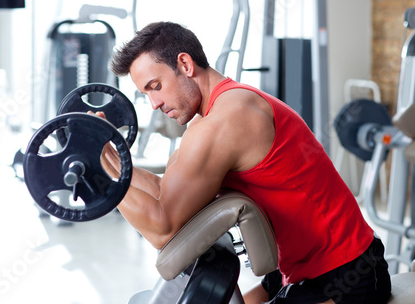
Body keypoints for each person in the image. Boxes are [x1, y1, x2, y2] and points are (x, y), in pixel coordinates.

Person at [99, 21, 391, 303]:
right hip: (297, 268)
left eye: (156, 85)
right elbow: (166, 191)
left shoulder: (225, 122)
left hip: (345, 273)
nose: (154, 103)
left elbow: (163, 230)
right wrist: (105, 159)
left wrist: (96, 181)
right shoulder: (218, 112)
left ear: (185, 65)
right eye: (146, 93)